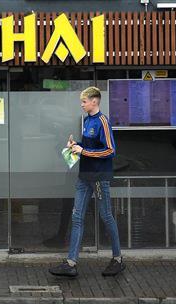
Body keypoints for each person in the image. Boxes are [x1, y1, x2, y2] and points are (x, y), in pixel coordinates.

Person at [49, 86, 124, 278]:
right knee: (77, 218)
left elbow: (110, 150)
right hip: (84, 177)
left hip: (99, 178)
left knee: (107, 216)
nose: (81, 104)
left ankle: (117, 259)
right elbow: (89, 146)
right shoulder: (87, 120)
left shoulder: (102, 122)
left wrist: (84, 152)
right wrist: (76, 146)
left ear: (94, 101)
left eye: (84, 101)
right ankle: (71, 263)